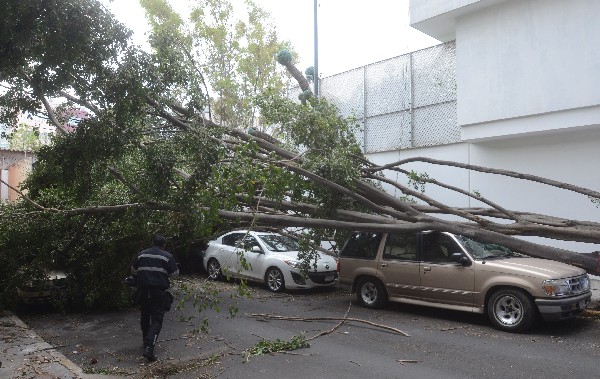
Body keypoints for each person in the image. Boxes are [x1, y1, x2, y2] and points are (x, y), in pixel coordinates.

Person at [131, 235, 178, 362]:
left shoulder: (141, 254)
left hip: (143, 291)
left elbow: (134, 271)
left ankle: (145, 341)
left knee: (145, 316)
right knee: (157, 320)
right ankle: (149, 348)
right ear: (164, 245)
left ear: (152, 243)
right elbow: (175, 274)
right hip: (159, 292)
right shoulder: (167, 256)